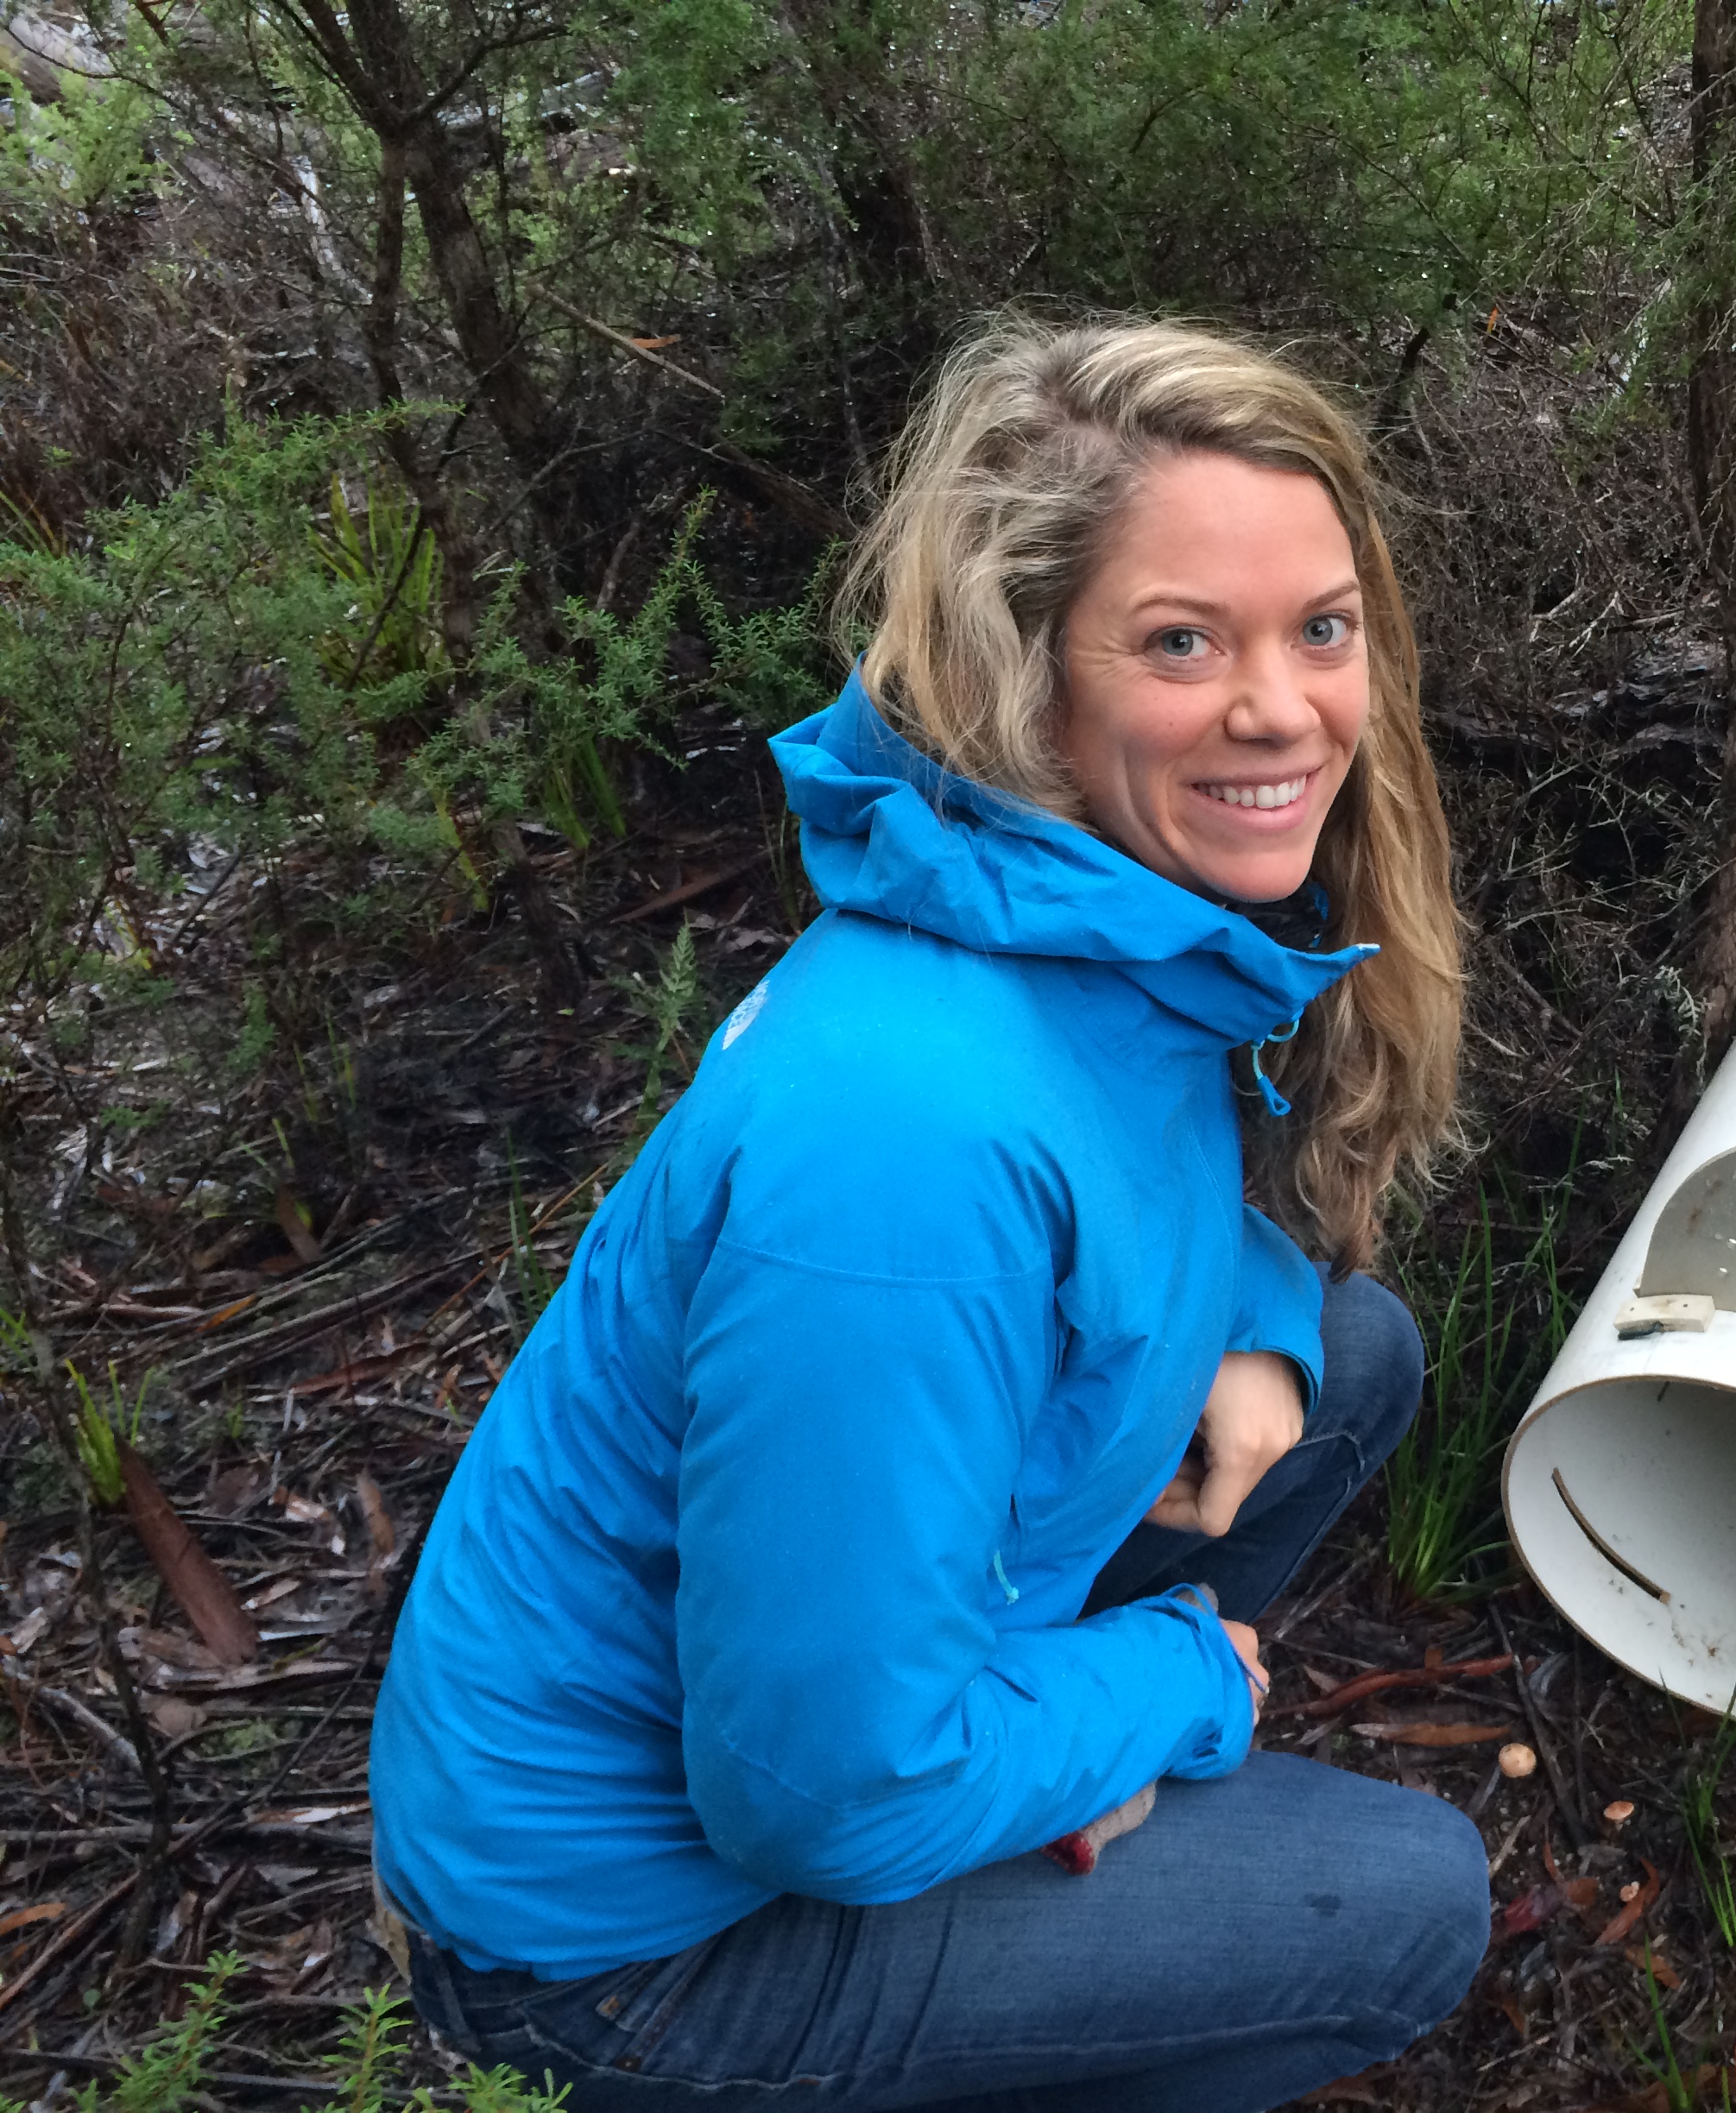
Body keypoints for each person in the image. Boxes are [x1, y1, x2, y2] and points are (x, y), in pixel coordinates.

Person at [370, 318, 1487, 2112]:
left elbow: (1133, 1190)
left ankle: (1019, 1779)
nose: (1284, 711)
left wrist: (1256, 1325)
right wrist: (1174, 1686)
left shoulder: (1071, 912)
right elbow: (819, 1796)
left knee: (1346, 1349)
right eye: (1183, 642)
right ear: (1027, 671)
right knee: (1412, 1905)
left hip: (818, 1717)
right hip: (630, 1946)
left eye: (1322, 630)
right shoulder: (910, 1140)